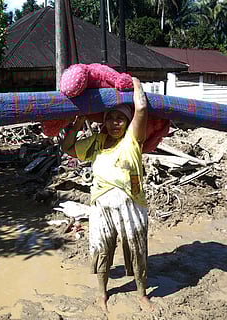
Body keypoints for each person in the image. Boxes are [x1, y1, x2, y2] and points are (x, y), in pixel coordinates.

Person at [61, 77, 152, 312]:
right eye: (110, 118)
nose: (115, 123)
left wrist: (132, 81)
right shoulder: (97, 142)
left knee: (137, 250)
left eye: (120, 118)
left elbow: (141, 106)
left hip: (132, 204)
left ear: (128, 122)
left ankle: (142, 295)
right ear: (104, 121)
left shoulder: (133, 141)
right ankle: (102, 294)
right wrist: (79, 121)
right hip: (101, 206)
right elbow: (67, 148)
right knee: (102, 248)